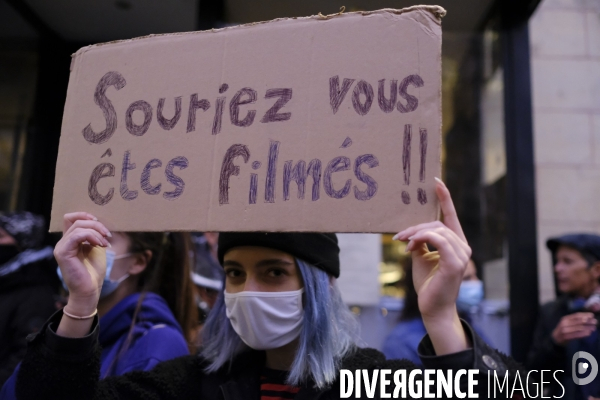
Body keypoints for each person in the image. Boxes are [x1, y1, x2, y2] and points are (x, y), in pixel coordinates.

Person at [8, 180, 524, 399]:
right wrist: (80, 305)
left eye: (274, 272)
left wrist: (443, 320)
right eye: (234, 273)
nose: (247, 290)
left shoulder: (368, 380)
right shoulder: (190, 384)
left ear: (319, 287)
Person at [1, 229, 198, 398]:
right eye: (75, 233)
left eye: (99, 238)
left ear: (138, 261)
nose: (79, 246)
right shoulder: (61, 326)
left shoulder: (157, 344)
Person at [527, 233, 600, 400]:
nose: (557, 268)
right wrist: (554, 342)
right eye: (557, 261)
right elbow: (532, 379)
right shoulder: (551, 312)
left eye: (567, 262)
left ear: (596, 270)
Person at [382, 258, 491, 364]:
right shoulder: (402, 342)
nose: (476, 283)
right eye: (466, 278)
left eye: (475, 275)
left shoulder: (469, 326)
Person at [0, 211, 58, 387]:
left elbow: (24, 358)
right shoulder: (7, 284)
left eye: (1, 236)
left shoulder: (36, 295)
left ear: (21, 245)